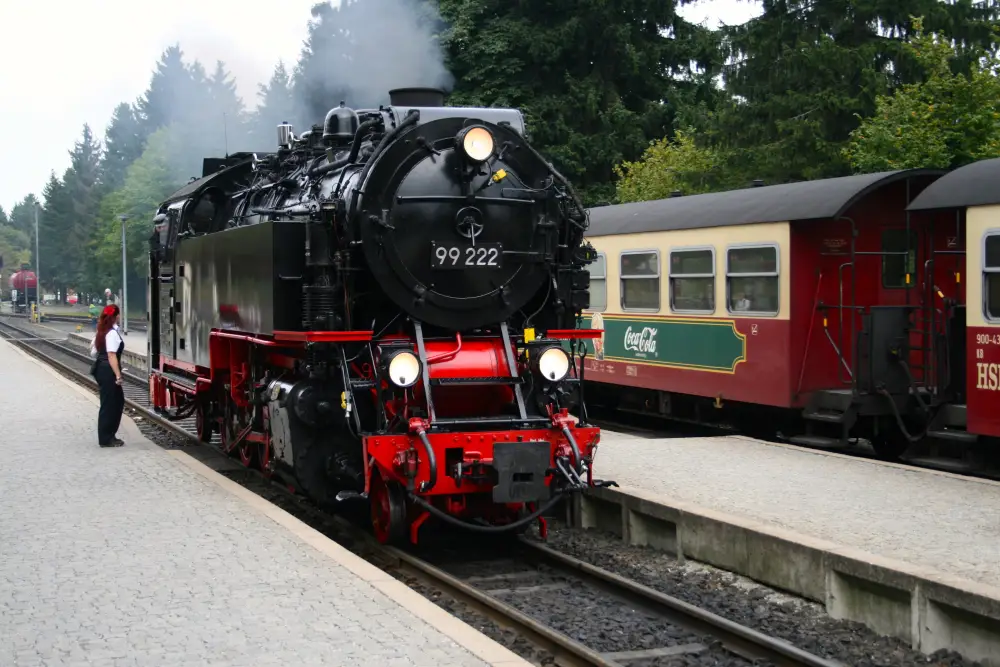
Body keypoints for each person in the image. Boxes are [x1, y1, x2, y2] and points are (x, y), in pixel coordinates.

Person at [90, 304, 125, 447]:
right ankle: (105, 438)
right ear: (116, 316)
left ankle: (110, 434)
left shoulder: (103, 331)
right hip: (107, 370)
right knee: (109, 404)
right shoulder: (110, 333)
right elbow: (111, 355)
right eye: (119, 314)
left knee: (116, 402)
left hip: (102, 368)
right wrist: (118, 375)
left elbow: (93, 352)